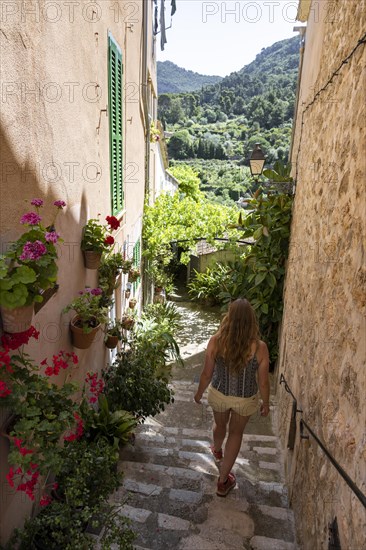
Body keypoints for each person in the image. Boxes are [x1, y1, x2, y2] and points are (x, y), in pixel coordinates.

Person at [194, 298, 270, 497]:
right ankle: (222, 481)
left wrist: (199, 392)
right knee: (235, 434)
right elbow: (263, 382)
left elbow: (206, 373)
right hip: (245, 400)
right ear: (251, 321)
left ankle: (217, 450)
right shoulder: (260, 347)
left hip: (219, 394)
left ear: (230, 317)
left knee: (219, 425)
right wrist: (266, 403)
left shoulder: (216, 341)